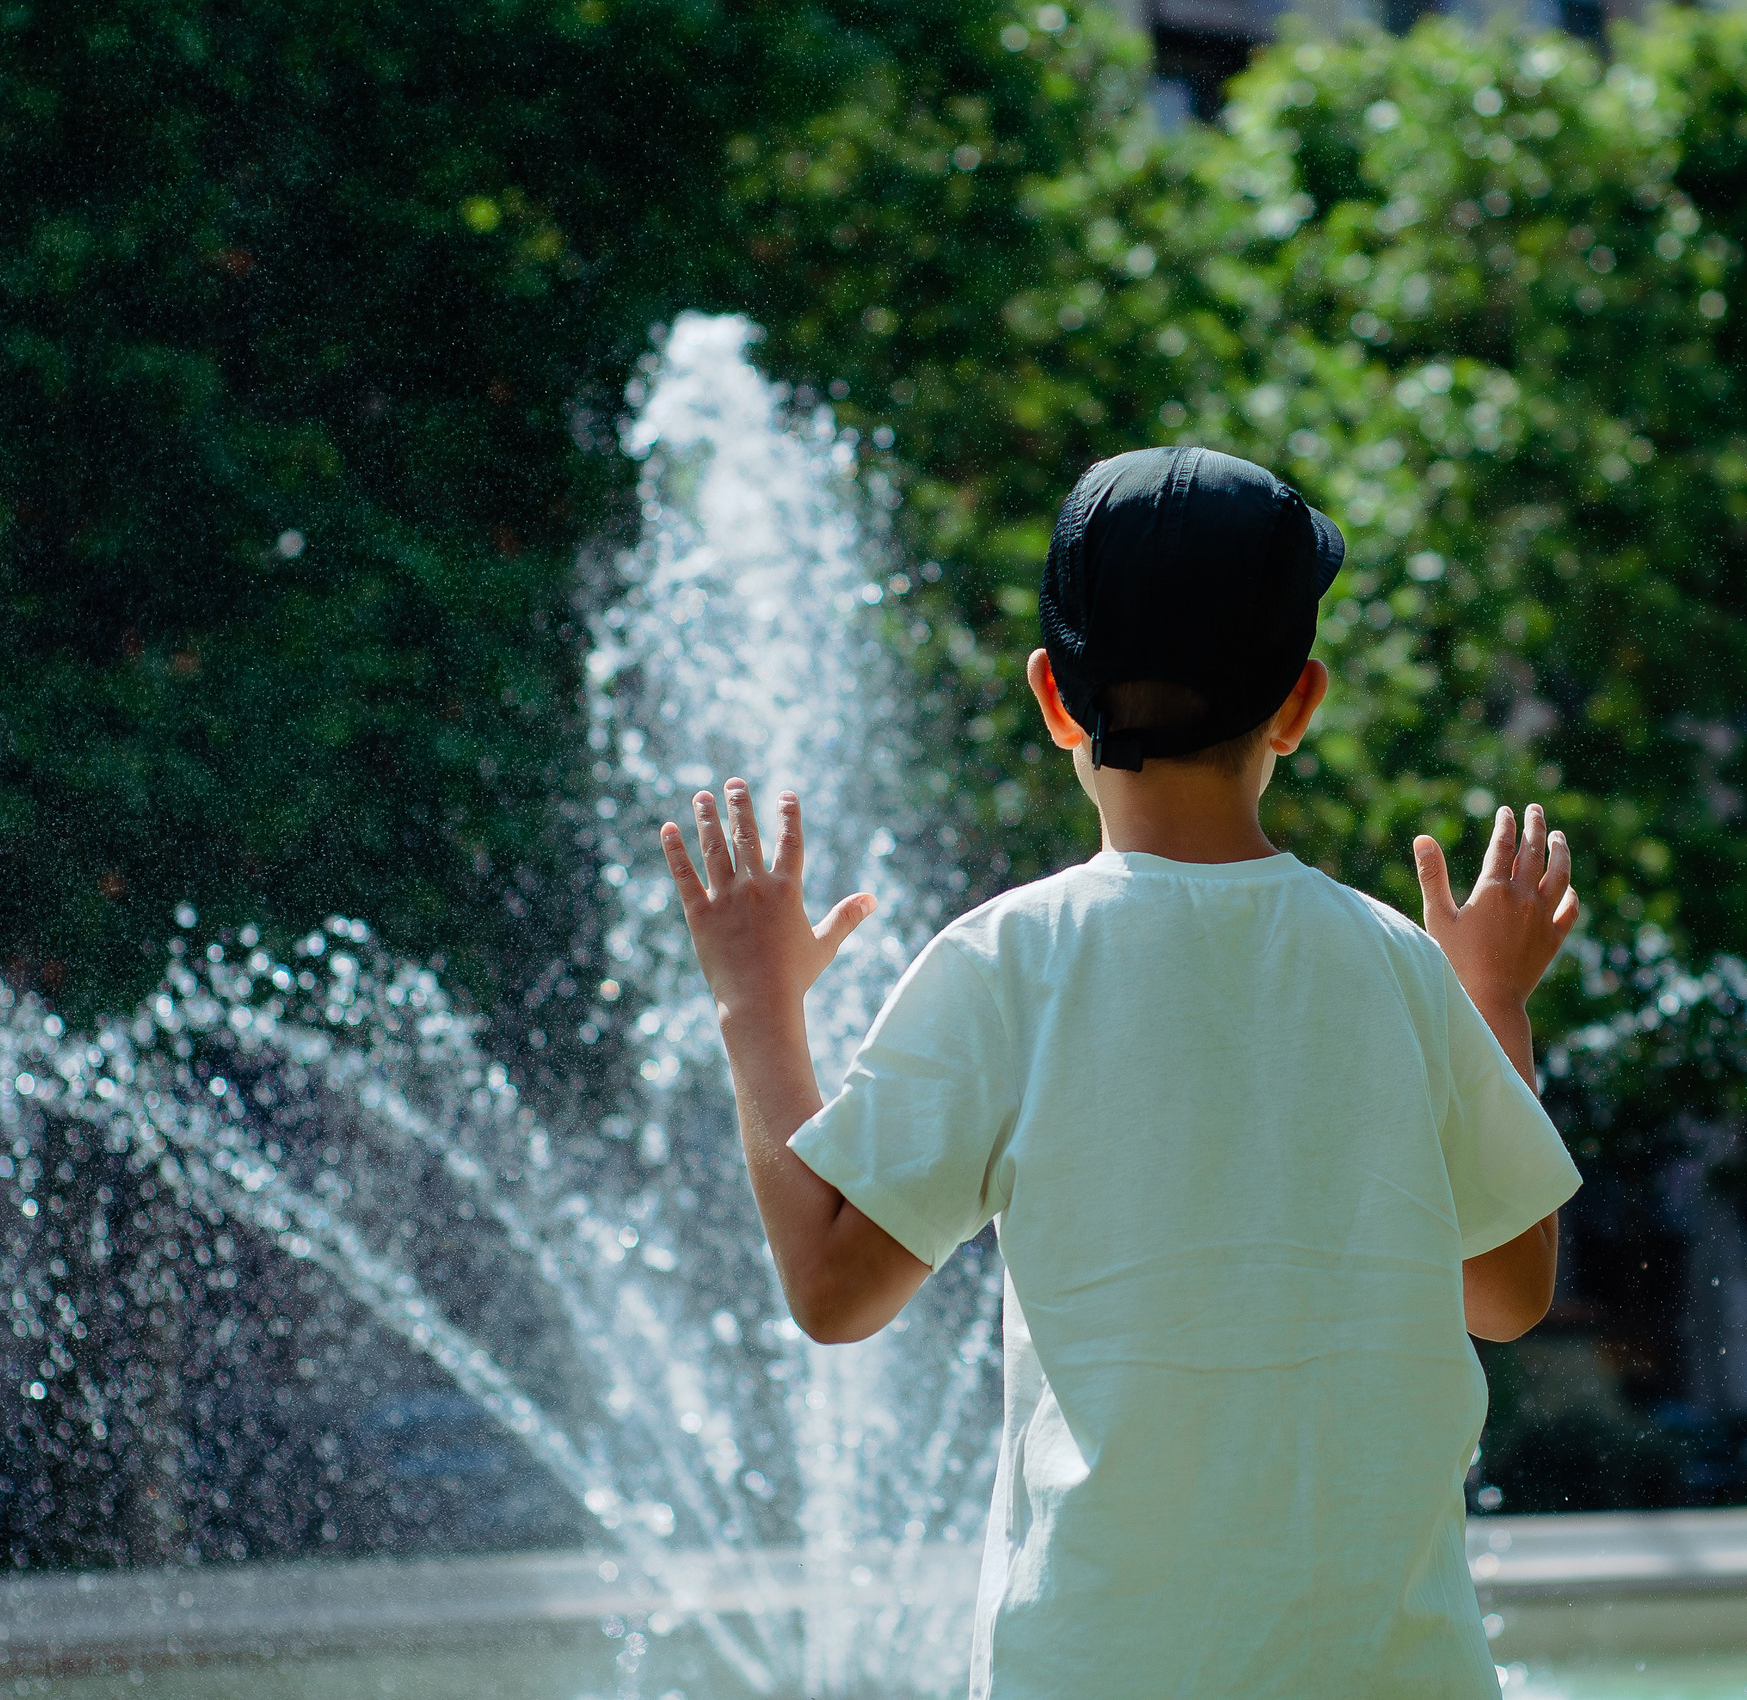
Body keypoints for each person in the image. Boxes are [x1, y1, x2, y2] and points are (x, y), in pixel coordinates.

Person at [658, 445, 1584, 1699]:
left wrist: (755, 1004)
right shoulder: (1395, 966)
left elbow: (832, 1288)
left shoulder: (1008, 960)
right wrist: (1495, 1001)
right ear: (1299, 703)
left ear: (1053, 696)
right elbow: (1509, 1290)